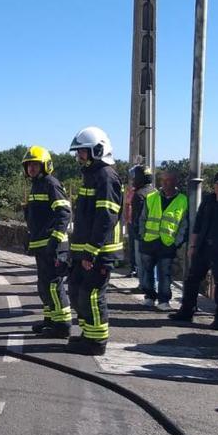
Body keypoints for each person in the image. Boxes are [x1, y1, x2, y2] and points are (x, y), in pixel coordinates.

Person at [67, 127, 123, 356]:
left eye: (82, 152)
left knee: (91, 295)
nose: (79, 156)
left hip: (99, 252)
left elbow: (105, 217)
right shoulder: (91, 175)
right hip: (85, 250)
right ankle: (88, 335)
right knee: (78, 292)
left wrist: (91, 251)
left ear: (97, 150)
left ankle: (97, 342)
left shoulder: (106, 176)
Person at [169, 171, 218, 329]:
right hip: (202, 249)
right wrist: (192, 246)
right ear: (214, 185)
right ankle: (186, 312)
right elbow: (197, 225)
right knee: (192, 280)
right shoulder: (208, 200)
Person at [22, 145, 72, 338]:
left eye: (36, 164)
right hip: (42, 245)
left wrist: (55, 241)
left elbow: (64, 213)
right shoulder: (37, 184)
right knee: (44, 286)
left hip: (53, 246)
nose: (32, 168)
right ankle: (50, 320)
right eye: (29, 165)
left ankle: (63, 325)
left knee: (53, 285)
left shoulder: (51, 183)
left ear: (45, 165)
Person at [137, 171, 189, 311]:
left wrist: (177, 241)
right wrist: (142, 235)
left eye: (169, 181)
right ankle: (149, 297)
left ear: (175, 182)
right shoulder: (151, 197)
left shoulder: (183, 200)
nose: (165, 183)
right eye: (163, 181)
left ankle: (164, 300)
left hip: (167, 242)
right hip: (149, 240)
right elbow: (143, 218)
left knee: (164, 273)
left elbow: (184, 223)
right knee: (147, 272)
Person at [129, 165, 156, 289]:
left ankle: (143, 286)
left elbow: (137, 217)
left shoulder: (139, 195)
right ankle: (151, 286)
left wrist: (136, 232)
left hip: (142, 234)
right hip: (155, 234)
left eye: (134, 177)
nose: (133, 180)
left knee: (141, 262)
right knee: (152, 263)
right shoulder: (155, 192)